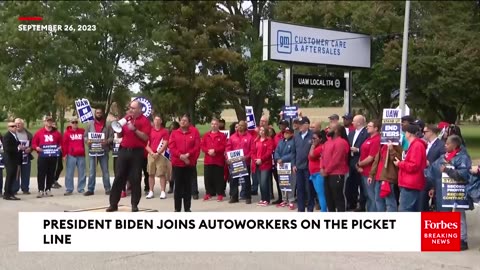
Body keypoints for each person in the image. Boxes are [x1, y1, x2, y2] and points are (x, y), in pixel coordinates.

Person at [426, 135, 472, 251]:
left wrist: (447, 170)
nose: (445, 145)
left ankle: (462, 240)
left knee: (458, 215)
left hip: (458, 192)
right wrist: (432, 188)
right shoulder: (443, 157)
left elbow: (463, 175)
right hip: (443, 192)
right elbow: (433, 173)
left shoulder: (463, 158)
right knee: (445, 215)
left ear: (455, 145)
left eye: (447, 144)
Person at [106, 100, 151, 212]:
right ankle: (113, 204)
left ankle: (134, 204)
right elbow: (121, 134)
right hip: (124, 150)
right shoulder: (127, 118)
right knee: (119, 177)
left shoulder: (145, 121)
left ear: (140, 109)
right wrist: (119, 129)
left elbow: (145, 138)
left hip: (137, 152)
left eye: (133, 108)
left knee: (135, 178)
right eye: (130, 107)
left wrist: (135, 129)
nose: (131, 109)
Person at [168, 114, 201, 212]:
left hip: (189, 164)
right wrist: (181, 156)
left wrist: (188, 156)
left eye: (185, 120)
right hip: (178, 164)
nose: (183, 122)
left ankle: (187, 208)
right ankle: (177, 209)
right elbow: (172, 146)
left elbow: (197, 147)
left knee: (188, 187)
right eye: (181, 120)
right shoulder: (174, 133)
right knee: (177, 187)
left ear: (189, 122)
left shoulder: (194, 132)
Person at [393, 124, 427, 212]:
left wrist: (400, 164)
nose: (404, 134)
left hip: (411, 183)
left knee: (405, 209)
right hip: (409, 182)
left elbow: (414, 165)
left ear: (409, 133)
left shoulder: (417, 146)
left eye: (405, 132)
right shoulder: (414, 145)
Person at [85, 108, 113, 196]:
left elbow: (111, 137)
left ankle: (108, 189)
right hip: (92, 150)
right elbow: (85, 136)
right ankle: (90, 189)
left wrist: (107, 141)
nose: (99, 114)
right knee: (92, 170)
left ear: (102, 114)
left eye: (100, 113)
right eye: (97, 113)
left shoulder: (107, 125)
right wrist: (87, 141)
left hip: (103, 150)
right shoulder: (90, 124)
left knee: (105, 171)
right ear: (95, 114)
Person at [321, 124, 350, 212]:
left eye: (330, 128)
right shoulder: (327, 142)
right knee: (329, 199)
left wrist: (326, 170)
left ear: (336, 131)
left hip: (337, 174)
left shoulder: (341, 142)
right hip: (327, 174)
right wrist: (322, 168)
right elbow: (322, 156)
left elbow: (337, 159)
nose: (328, 129)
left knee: (338, 198)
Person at [32, 116, 63, 198]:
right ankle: (40, 190)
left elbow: (61, 143)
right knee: (41, 173)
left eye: (50, 121)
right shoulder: (39, 133)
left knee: (51, 173)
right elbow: (34, 143)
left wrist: (60, 147)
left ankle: (48, 189)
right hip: (43, 156)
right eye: (47, 121)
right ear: (44, 122)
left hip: (53, 156)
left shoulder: (57, 133)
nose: (49, 123)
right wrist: (37, 148)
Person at [369, 141, 402, 212]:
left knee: (389, 201)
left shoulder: (396, 145)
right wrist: (371, 174)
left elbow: (398, 160)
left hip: (388, 177)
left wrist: (391, 149)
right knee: (378, 200)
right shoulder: (381, 144)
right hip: (378, 177)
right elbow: (376, 161)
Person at [356, 120, 381, 212]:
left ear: (376, 128)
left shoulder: (377, 140)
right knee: (367, 195)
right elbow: (363, 153)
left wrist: (359, 164)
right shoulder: (368, 138)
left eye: (370, 126)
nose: (367, 127)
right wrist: (359, 165)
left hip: (370, 172)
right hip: (363, 171)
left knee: (372, 196)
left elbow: (371, 158)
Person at [226, 120, 254, 204]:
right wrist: (228, 157)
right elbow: (228, 148)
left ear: (245, 126)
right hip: (234, 162)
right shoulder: (232, 137)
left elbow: (252, 150)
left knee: (246, 180)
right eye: (239, 126)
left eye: (242, 125)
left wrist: (247, 157)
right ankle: (234, 197)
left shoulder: (250, 137)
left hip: (245, 162)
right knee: (233, 180)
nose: (240, 127)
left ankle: (248, 197)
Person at [291, 116, 315, 212]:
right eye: (299, 124)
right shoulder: (296, 136)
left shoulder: (312, 135)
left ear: (307, 125)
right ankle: (301, 210)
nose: (299, 126)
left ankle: (310, 209)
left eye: (301, 124)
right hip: (299, 167)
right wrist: (293, 164)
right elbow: (293, 152)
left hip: (308, 167)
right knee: (300, 190)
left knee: (309, 189)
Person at [346, 115, 369, 212]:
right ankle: (352, 203)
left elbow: (367, 148)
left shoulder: (366, 133)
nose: (352, 123)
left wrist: (358, 150)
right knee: (351, 183)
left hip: (360, 161)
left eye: (354, 121)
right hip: (351, 160)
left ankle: (362, 205)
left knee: (362, 184)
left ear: (359, 122)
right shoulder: (351, 133)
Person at [201, 118, 227, 202]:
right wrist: (208, 151)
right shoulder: (206, 135)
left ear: (218, 125)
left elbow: (224, 146)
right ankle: (208, 193)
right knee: (208, 178)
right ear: (210, 125)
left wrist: (215, 150)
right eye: (212, 124)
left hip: (218, 160)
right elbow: (202, 146)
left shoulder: (222, 136)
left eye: (215, 124)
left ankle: (220, 194)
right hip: (208, 160)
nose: (214, 125)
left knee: (218, 178)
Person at [421, 125, 445, 211]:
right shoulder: (425, 144)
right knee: (422, 203)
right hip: (424, 177)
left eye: (425, 132)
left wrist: (430, 163)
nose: (423, 134)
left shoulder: (441, 145)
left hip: (435, 177)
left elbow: (443, 161)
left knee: (436, 204)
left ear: (431, 132)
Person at [145, 115, 170, 199]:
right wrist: (152, 153)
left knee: (161, 173)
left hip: (161, 155)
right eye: (155, 120)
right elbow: (146, 144)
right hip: (151, 154)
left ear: (161, 121)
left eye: (158, 120)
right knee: (151, 173)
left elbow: (165, 143)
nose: (156, 121)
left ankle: (163, 191)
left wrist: (158, 153)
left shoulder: (165, 131)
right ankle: (151, 191)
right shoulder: (150, 131)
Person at [62, 118, 87, 195]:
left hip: (81, 155)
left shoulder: (82, 131)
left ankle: (81, 188)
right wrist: (64, 154)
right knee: (69, 172)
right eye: (73, 122)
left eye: (76, 122)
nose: (75, 124)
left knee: (82, 172)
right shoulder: (67, 133)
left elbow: (86, 139)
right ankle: (69, 189)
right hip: (71, 155)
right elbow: (64, 144)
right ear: (70, 123)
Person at [251, 126, 274, 206]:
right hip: (257, 164)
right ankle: (263, 198)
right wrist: (255, 159)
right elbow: (252, 151)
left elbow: (269, 152)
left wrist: (261, 159)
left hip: (265, 164)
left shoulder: (269, 140)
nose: (261, 132)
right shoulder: (256, 140)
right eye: (260, 130)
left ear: (266, 131)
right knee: (260, 182)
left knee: (264, 182)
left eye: (263, 130)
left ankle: (266, 199)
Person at [274, 127, 296, 210]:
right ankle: (284, 199)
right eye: (284, 132)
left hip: (289, 165)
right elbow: (276, 151)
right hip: (281, 166)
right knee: (283, 182)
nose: (285, 134)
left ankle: (291, 200)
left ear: (291, 134)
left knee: (291, 183)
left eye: (287, 132)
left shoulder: (293, 142)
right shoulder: (281, 142)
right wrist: (278, 159)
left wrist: (282, 159)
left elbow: (293, 153)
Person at [12, 118, 33, 195]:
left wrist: (30, 149)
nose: (17, 125)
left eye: (19, 123)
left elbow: (32, 144)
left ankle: (25, 189)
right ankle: (14, 189)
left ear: (23, 125)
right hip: (16, 157)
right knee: (16, 173)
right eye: (16, 123)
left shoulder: (28, 134)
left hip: (26, 157)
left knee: (26, 173)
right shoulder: (12, 134)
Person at [309, 130, 328, 212]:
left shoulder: (321, 147)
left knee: (321, 193)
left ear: (320, 139)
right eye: (312, 138)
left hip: (318, 173)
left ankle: (323, 211)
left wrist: (313, 146)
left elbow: (311, 156)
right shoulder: (317, 146)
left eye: (314, 138)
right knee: (318, 192)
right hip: (313, 173)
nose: (313, 140)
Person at [3, 121, 22, 200]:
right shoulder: (7, 136)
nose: (15, 127)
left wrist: (19, 145)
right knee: (10, 176)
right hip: (10, 159)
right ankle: (7, 193)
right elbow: (7, 148)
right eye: (12, 126)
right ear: (8, 128)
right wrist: (18, 148)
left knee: (13, 176)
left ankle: (11, 192)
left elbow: (16, 144)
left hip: (15, 159)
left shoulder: (15, 135)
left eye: (15, 126)